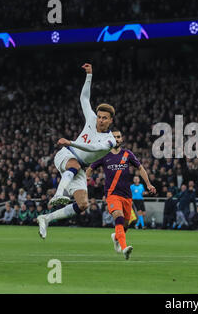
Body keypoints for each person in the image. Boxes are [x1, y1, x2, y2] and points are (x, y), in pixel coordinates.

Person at [37, 64, 117, 239]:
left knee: (82, 204)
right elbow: (84, 98)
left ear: (110, 120)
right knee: (74, 164)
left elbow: (94, 148)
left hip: (78, 165)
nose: (100, 120)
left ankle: (46, 218)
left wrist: (71, 140)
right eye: (100, 116)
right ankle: (58, 194)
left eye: (105, 118)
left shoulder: (110, 140)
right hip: (66, 155)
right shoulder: (91, 117)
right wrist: (89, 76)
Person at [86, 129, 156, 259]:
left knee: (125, 225)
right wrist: (85, 180)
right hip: (112, 194)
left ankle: (116, 237)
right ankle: (124, 248)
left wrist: (148, 184)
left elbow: (140, 168)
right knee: (118, 216)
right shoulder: (104, 155)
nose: (117, 139)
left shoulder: (127, 154)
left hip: (127, 195)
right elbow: (90, 168)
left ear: (122, 139)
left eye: (118, 137)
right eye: (114, 137)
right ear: (110, 139)